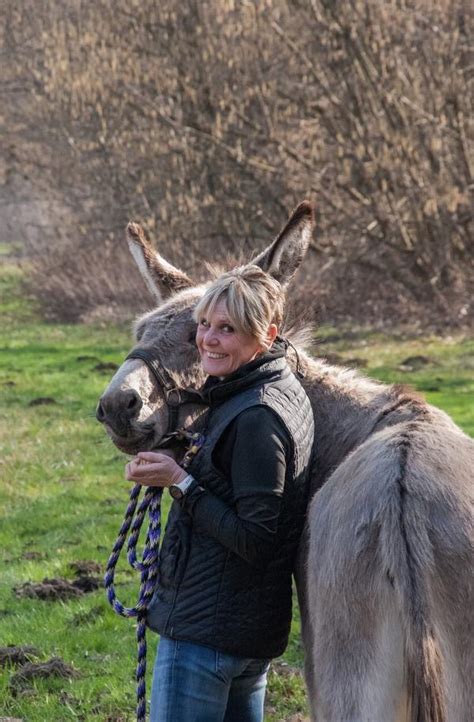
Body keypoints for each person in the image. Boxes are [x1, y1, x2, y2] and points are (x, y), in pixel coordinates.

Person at [125, 265, 314, 722]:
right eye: (204, 325)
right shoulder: (269, 391)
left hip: (205, 638)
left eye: (227, 329)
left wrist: (181, 482)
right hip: (239, 632)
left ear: (266, 336)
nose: (207, 339)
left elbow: (255, 537)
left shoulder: (258, 417)